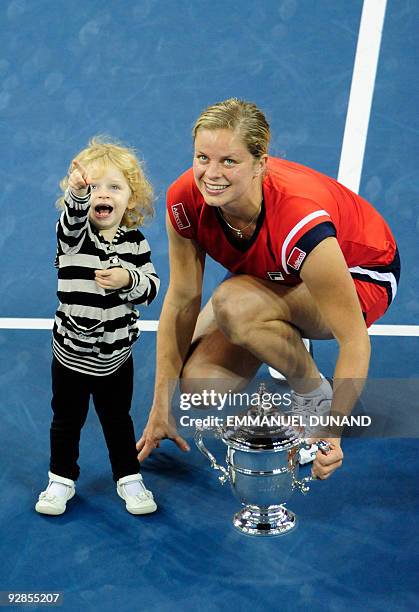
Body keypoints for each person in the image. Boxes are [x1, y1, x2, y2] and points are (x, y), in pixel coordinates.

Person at [136, 98, 400, 479]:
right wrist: (159, 408)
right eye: (203, 157)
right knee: (201, 387)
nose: (212, 173)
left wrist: (333, 433)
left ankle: (313, 393)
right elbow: (181, 301)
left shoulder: (299, 218)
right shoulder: (185, 200)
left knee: (233, 305)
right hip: (276, 270)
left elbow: (354, 339)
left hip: (361, 273)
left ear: (261, 163)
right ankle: (273, 323)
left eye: (229, 161)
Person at [35, 138, 160, 516]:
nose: (103, 194)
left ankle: (128, 478)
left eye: (115, 187)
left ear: (131, 200)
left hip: (117, 357)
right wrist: (77, 193)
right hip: (71, 354)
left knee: (118, 420)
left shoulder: (136, 243)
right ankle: (60, 479)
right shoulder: (72, 239)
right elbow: (72, 219)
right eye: (94, 187)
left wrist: (128, 278)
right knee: (66, 420)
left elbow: (151, 287)